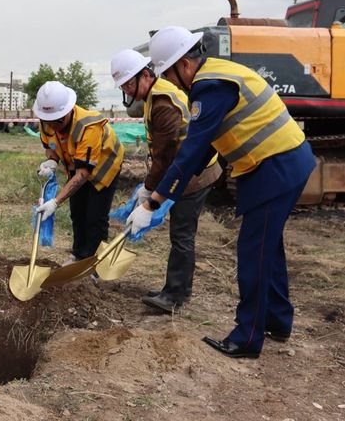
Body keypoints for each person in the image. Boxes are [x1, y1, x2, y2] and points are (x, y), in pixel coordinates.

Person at [127, 26, 316, 359]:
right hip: (284, 162)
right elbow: (200, 153)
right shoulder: (217, 75)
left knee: (253, 253)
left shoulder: (209, 86)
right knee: (268, 248)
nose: (169, 81)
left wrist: (154, 202)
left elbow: (190, 151)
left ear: (183, 65)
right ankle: (278, 320)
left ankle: (247, 338)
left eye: (168, 73)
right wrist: (155, 196)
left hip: (274, 167)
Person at [110, 49, 222, 312]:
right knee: (181, 232)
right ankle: (177, 289)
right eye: (123, 85)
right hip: (185, 169)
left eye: (129, 83)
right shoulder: (154, 94)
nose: (128, 90)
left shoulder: (163, 103)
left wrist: (149, 193)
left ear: (146, 75)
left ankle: (174, 296)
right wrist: (147, 191)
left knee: (182, 234)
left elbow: (164, 157)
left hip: (195, 173)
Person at [34, 81, 124, 262]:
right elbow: (51, 145)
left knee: (95, 215)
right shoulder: (47, 122)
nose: (54, 126)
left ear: (68, 111)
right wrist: (51, 161)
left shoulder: (87, 127)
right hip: (78, 164)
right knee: (77, 211)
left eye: (58, 121)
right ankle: (79, 255)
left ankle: (94, 262)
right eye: (49, 122)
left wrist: (56, 201)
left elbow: (83, 174)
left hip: (105, 165)